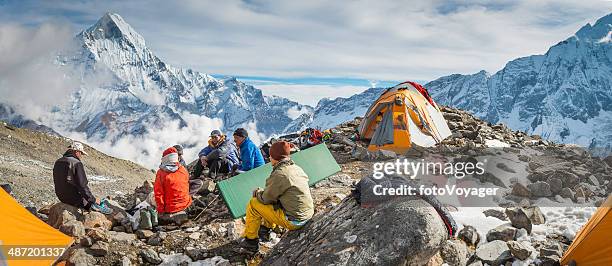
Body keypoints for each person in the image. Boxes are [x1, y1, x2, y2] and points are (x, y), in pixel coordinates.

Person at [239, 141, 314, 253]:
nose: (269, 158)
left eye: (271, 155)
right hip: (307, 213)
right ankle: (265, 230)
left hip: (294, 221)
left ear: (275, 157)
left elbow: (265, 198)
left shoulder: (280, 174)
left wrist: (258, 192)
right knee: (275, 198)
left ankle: (250, 242)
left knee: (253, 204)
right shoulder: (296, 168)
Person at [53, 142, 111, 214]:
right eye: (81, 153)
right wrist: (93, 200)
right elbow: (82, 185)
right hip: (74, 199)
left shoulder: (58, 161)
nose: (81, 156)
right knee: (95, 204)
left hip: (61, 196)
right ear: (76, 151)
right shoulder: (76, 163)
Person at [153, 147, 192, 219]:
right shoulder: (183, 169)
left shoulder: (161, 173)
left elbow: (158, 194)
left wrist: (161, 211)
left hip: (171, 209)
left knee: (152, 196)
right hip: (186, 204)